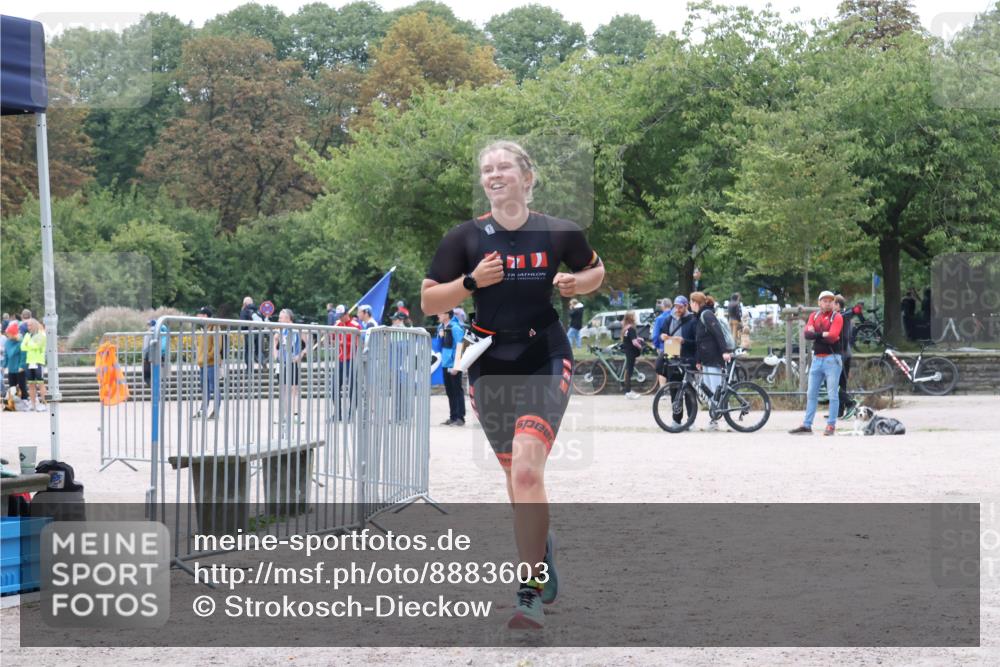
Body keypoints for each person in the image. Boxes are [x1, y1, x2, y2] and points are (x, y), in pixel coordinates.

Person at [421, 139, 605, 629]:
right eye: (486, 169)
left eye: (504, 166)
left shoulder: (560, 232)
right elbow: (429, 302)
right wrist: (472, 282)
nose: (494, 174)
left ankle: (528, 590)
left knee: (526, 470)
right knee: (515, 476)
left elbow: (594, 270)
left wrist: (576, 284)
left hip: (543, 353)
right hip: (490, 361)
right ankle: (539, 552)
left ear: (528, 177)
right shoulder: (464, 238)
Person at [790, 291, 844, 436]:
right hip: (817, 359)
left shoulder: (837, 317)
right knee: (811, 393)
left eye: (830, 301)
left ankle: (831, 425)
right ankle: (807, 425)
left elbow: (832, 337)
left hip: (832, 358)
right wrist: (823, 334)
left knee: (832, 394)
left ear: (833, 303)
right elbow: (807, 334)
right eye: (824, 301)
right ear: (819, 302)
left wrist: (816, 334)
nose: (828, 303)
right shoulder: (814, 316)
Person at [689, 292, 732, 431]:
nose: (690, 305)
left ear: (696, 303)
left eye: (691, 302)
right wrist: (698, 360)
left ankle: (728, 420)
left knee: (717, 391)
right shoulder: (700, 316)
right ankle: (714, 420)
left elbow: (718, 333)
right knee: (710, 392)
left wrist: (724, 351)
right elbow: (701, 340)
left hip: (714, 358)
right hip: (706, 359)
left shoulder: (706, 314)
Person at [273, 309, 306, 418]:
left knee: (293, 388)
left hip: (292, 362)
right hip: (282, 362)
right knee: (283, 388)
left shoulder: (296, 329)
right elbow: (274, 343)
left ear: (288, 319)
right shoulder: (279, 330)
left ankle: (295, 413)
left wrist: (300, 355)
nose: (279, 320)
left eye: (281, 318)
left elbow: (308, 343)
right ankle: (283, 414)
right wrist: (276, 356)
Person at [437, 309, 466, 426]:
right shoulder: (441, 327)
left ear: (447, 315)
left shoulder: (455, 327)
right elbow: (440, 346)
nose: (438, 315)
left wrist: (457, 365)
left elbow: (460, 346)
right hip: (445, 363)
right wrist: (440, 336)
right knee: (449, 391)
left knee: (457, 390)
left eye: (440, 312)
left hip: (453, 364)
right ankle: (453, 417)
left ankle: (460, 418)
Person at [194, 306, 221, 419]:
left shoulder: (214, 327)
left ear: (205, 316)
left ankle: (215, 411)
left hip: (211, 363)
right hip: (203, 363)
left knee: (213, 387)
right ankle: (202, 410)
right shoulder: (204, 328)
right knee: (204, 388)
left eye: (199, 314)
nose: (197, 316)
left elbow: (217, 346)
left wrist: (207, 357)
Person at [834, 295, 856, 419]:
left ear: (837, 305)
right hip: (846, 353)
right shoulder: (844, 316)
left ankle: (850, 403)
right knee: (841, 383)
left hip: (841, 354)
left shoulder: (842, 317)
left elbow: (844, 337)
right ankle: (839, 411)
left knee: (834, 383)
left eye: (833, 303)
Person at [20, 318, 47, 412]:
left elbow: (37, 346)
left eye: (30, 325)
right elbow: (22, 347)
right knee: (31, 384)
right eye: (28, 325)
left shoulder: (41, 335)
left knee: (40, 383)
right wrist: (30, 345)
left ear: (35, 325)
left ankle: (44, 404)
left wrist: (29, 344)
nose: (28, 327)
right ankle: (33, 404)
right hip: (29, 361)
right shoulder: (27, 335)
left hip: (38, 361)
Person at [4, 321, 28, 408]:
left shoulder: (21, 343)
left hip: (19, 368)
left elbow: (23, 355)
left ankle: (25, 401)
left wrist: (22, 366)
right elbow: (6, 355)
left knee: (22, 386)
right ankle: (13, 403)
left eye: (9, 333)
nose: (7, 335)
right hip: (11, 368)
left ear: (13, 334)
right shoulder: (7, 342)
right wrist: (3, 366)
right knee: (12, 387)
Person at [620, 311, 642, 399]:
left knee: (628, 370)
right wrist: (640, 346)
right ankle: (628, 392)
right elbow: (634, 342)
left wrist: (638, 338)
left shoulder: (626, 328)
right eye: (634, 316)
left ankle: (628, 391)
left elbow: (630, 339)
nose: (636, 318)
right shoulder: (631, 329)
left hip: (627, 351)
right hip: (632, 352)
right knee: (629, 371)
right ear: (631, 318)